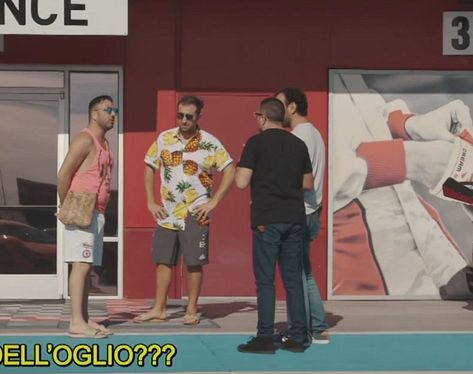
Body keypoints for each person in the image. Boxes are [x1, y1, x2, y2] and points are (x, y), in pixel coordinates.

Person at [331, 73, 473, 297]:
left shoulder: (339, 66)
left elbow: (362, 117)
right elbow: (322, 171)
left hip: (427, 238)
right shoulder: (314, 69)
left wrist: (409, 124)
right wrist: (414, 160)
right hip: (371, 268)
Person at [135, 95, 235, 325]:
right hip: (168, 211)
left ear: (199, 116)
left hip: (196, 211)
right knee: (163, 261)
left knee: (193, 262)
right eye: (180, 115)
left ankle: (191, 309)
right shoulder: (165, 138)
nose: (184, 120)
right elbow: (149, 166)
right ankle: (159, 309)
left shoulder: (210, 142)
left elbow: (230, 170)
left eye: (189, 116)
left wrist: (214, 202)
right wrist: (151, 201)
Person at [235, 97, 314, 354]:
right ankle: (298, 337)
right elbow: (308, 183)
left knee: (266, 281)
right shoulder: (298, 144)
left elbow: (241, 182)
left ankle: (265, 337)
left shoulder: (256, 143)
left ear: (264, 117)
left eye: (257, 116)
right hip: (294, 217)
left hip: (266, 219)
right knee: (293, 280)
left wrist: (244, 167)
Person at [56, 95, 116, 338]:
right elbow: (63, 175)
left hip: (97, 211)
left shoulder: (105, 143)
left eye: (114, 110)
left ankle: (84, 316)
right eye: (108, 110)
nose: (113, 114)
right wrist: (68, 206)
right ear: (94, 114)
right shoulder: (85, 139)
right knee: (80, 265)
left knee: (87, 265)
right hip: (82, 210)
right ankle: (76, 322)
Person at [275, 88, 330, 344]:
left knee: (296, 275)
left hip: (300, 212)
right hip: (312, 211)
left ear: (292, 107)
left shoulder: (298, 137)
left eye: (280, 104)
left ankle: (309, 328)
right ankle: (315, 326)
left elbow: (298, 179)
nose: (276, 111)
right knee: (303, 272)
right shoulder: (315, 134)